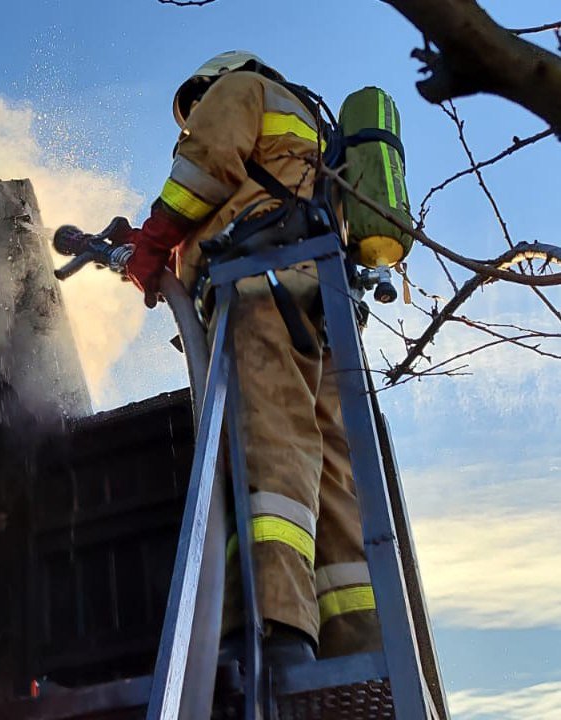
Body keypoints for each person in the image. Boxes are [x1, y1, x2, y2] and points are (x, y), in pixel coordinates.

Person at [122, 51, 382, 665]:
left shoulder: (238, 90)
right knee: (332, 477)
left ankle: (273, 625)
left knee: (267, 450)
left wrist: (153, 240)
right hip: (322, 311)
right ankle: (360, 643)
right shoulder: (315, 132)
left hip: (259, 290)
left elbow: (206, 165)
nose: (191, 121)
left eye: (192, 111)